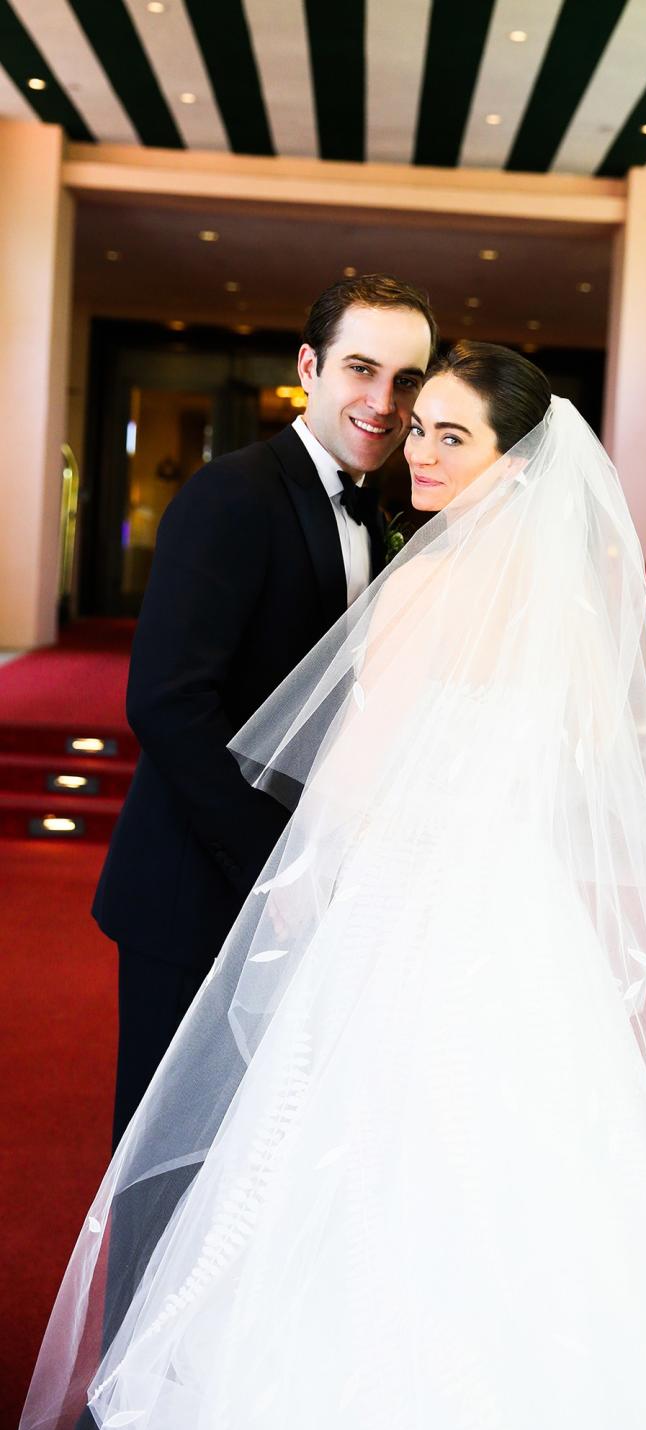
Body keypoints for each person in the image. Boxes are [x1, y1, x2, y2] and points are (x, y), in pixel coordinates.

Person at [21, 343, 646, 1430]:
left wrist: (298, 895)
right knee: (533, 1174)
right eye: (420, 427)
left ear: (515, 465)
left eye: (452, 435)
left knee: (359, 1165)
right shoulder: (571, 604)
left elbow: (352, 783)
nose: (420, 452)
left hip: (406, 907)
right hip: (520, 918)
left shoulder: (428, 581)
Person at [92, 273, 436, 1149]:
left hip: (310, 884)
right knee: (168, 1160)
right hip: (203, 887)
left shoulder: (385, 513)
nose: (382, 401)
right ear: (310, 366)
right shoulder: (231, 495)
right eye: (361, 369)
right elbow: (168, 705)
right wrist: (275, 872)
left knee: (258, 1163)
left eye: (405, 381)